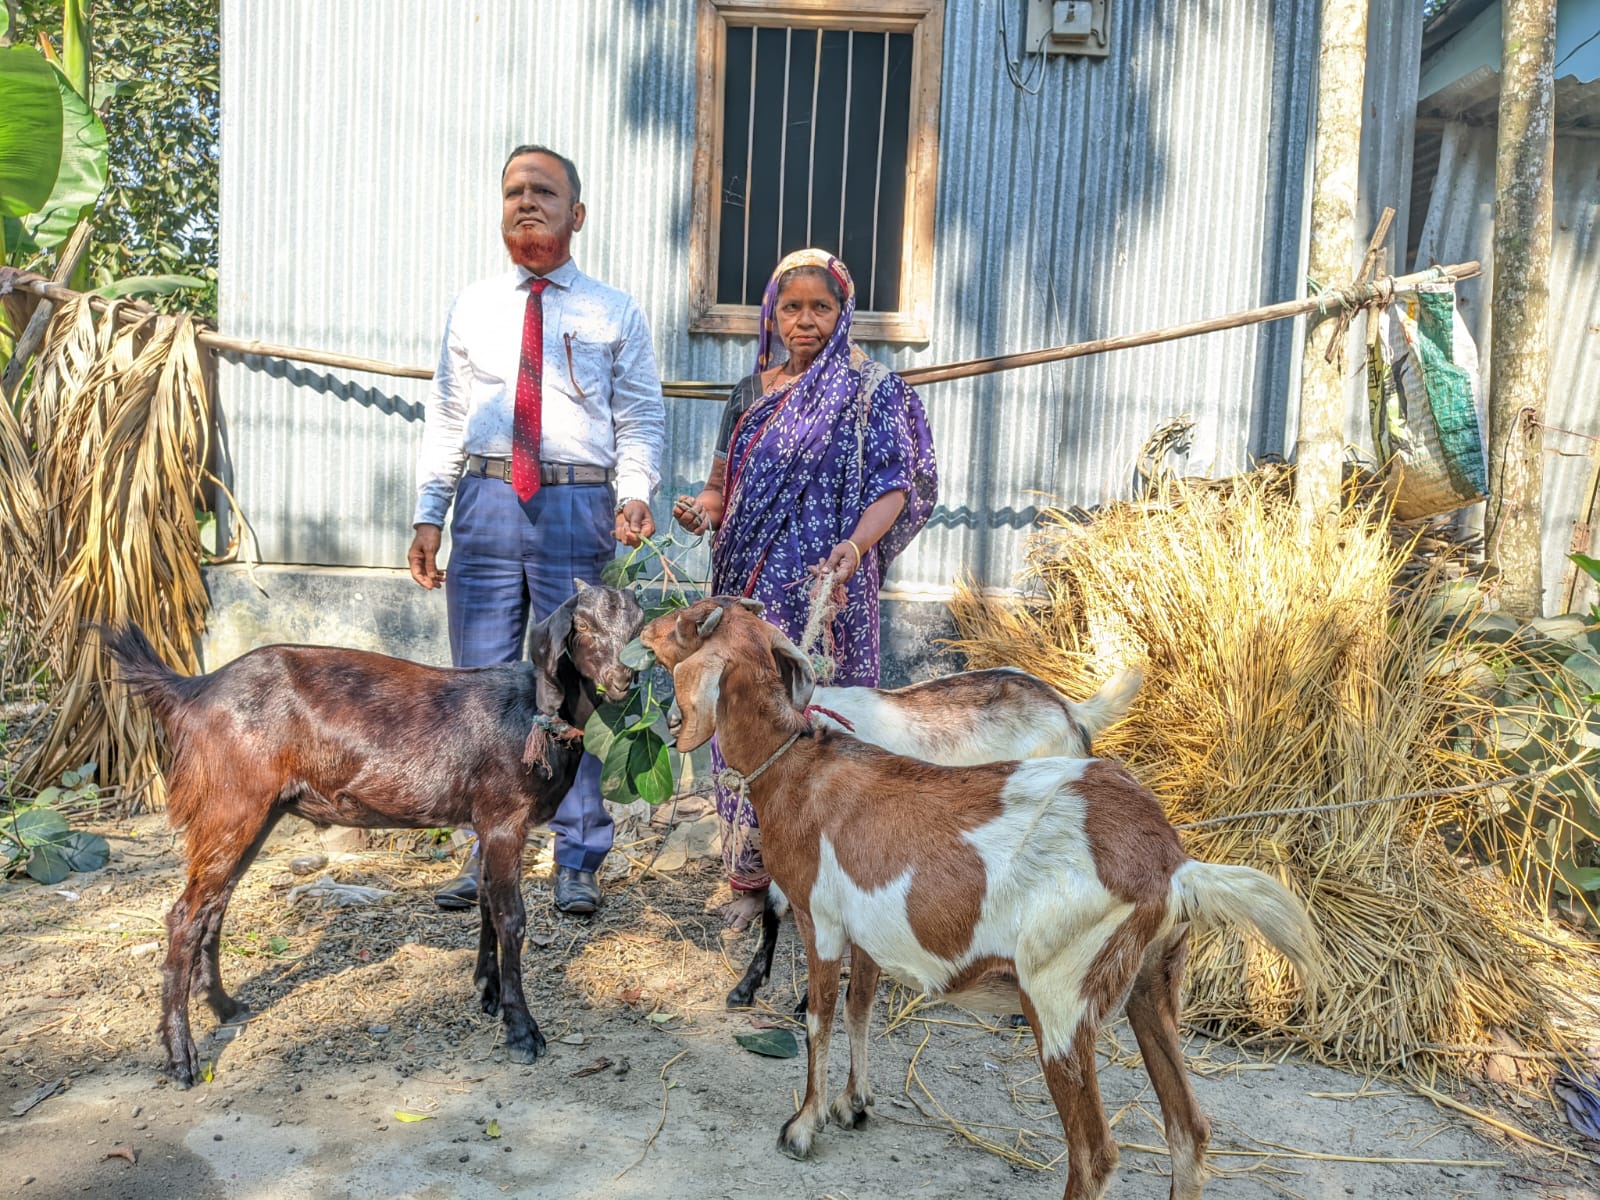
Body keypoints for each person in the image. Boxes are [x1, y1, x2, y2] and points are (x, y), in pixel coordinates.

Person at [409, 144, 664, 915]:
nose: (527, 203)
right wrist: (430, 512)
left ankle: (578, 856)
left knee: (579, 688)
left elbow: (640, 417)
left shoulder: (613, 310)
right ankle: (486, 848)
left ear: (576, 214)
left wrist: (636, 492)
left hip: (574, 506)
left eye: (544, 192)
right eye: (514, 191)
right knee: (479, 690)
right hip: (484, 505)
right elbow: (448, 416)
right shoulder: (475, 305)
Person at [672, 248, 937, 930]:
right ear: (772, 313)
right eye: (791, 307)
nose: (805, 320)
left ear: (844, 313)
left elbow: (894, 484)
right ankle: (747, 884)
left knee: (827, 727)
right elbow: (720, 485)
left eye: (821, 307)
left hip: (829, 595)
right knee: (747, 727)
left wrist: (854, 546)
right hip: (750, 595)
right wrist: (702, 510)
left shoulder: (874, 392)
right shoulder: (749, 393)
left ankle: (836, 882)